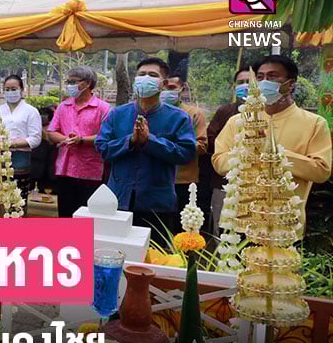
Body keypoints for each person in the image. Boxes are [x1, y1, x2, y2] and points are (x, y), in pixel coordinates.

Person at [213, 55, 331, 237]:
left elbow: (321, 171)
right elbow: (219, 161)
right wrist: (246, 154)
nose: (264, 82)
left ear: (290, 84)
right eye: (260, 77)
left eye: (273, 76)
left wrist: (275, 154)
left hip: (284, 227)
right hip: (238, 224)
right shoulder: (238, 120)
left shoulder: (315, 123)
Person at [95, 57, 195, 244]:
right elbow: (102, 147)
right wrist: (130, 141)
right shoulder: (117, 114)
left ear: (163, 84)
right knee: (113, 251)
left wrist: (151, 141)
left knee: (153, 254)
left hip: (157, 202)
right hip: (118, 199)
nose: (145, 78)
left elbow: (186, 153)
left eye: (152, 75)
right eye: (141, 74)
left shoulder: (179, 118)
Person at [47, 66, 111, 217]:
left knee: (86, 216)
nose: (69, 85)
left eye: (73, 81)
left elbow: (106, 137)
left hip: (90, 171)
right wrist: (66, 139)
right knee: (65, 214)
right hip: (64, 170)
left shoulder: (103, 108)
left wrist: (81, 140)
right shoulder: (63, 106)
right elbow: (51, 132)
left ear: (87, 83)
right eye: (68, 82)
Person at [160, 72, 208, 232]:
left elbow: (202, 146)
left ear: (182, 89)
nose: (167, 91)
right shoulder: (153, 114)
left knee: (183, 226)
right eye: (164, 87)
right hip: (157, 179)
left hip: (184, 180)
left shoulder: (194, 114)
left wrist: (172, 145)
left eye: (172, 87)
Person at [0, 74, 43, 198]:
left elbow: (35, 138)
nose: (10, 92)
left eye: (14, 89)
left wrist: (12, 144)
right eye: (7, 89)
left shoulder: (31, 111)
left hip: (20, 160)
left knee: (17, 200)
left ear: (22, 90)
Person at [207, 68, 251, 233]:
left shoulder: (267, 114)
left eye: (249, 82)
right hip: (224, 183)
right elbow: (211, 140)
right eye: (241, 82)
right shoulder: (225, 112)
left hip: (257, 188)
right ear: (234, 86)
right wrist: (233, 151)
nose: (245, 86)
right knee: (223, 229)